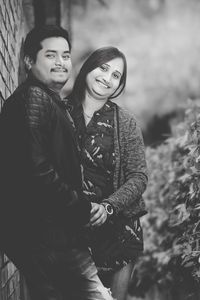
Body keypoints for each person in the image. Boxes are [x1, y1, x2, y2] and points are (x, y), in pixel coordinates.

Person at [0, 26, 113, 300]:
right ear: (29, 61)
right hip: (50, 236)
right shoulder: (34, 99)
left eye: (65, 55)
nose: (61, 62)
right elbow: (36, 172)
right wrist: (82, 207)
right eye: (51, 55)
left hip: (47, 234)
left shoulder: (45, 100)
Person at [68, 46, 148, 300]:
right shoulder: (59, 111)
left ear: (119, 85)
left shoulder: (125, 122)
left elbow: (139, 176)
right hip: (68, 233)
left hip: (119, 234)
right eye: (103, 68)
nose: (107, 77)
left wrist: (109, 207)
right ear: (89, 67)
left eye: (116, 75)